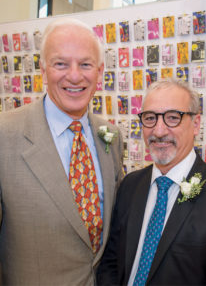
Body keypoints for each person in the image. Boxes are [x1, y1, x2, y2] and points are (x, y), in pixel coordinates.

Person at [0, 18, 123, 285]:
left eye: (86, 64)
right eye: (61, 64)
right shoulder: (4, 135)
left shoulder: (111, 137)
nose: (75, 75)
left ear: (100, 72)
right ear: (43, 71)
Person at [97, 79, 206, 285]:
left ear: (196, 124)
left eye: (173, 118)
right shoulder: (130, 185)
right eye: (150, 118)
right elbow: (110, 263)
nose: (159, 131)